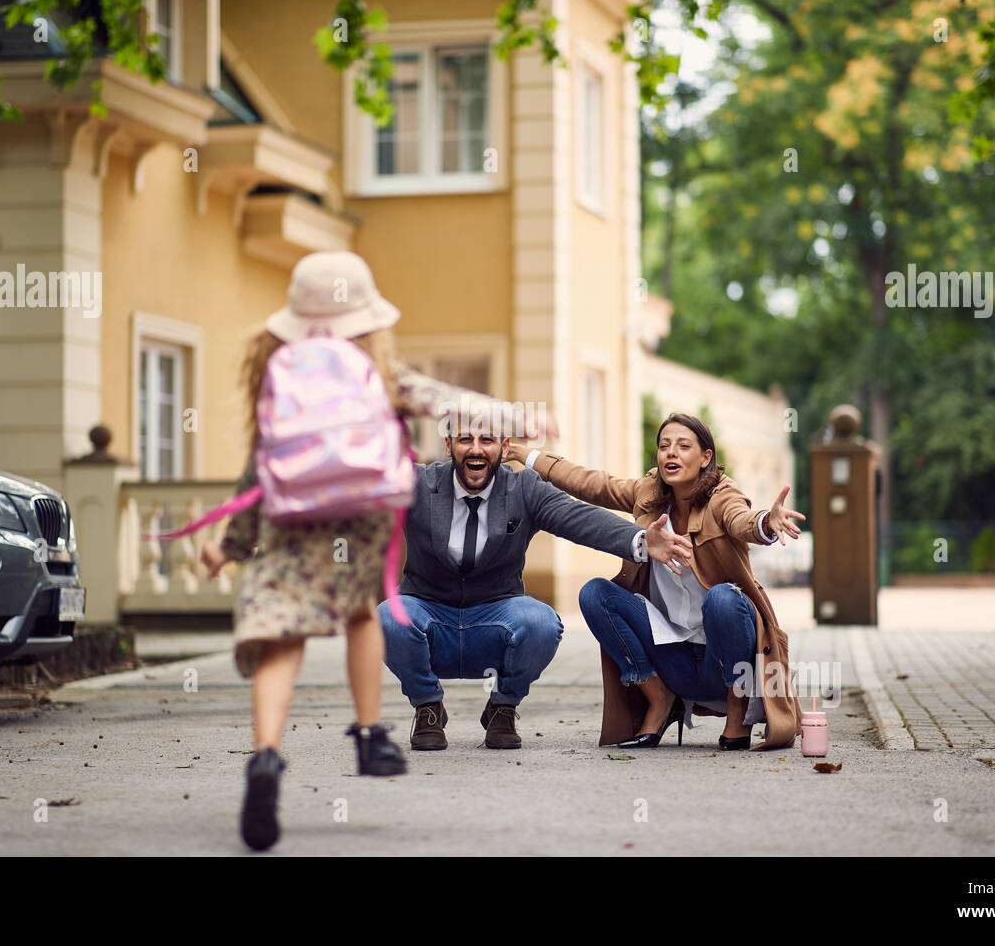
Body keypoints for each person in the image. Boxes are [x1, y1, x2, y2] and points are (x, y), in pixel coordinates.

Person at [199, 251, 527, 850]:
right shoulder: (378, 368)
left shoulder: (277, 368)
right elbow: (442, 400)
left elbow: (258, 464)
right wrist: (520, 417)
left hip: (291, 522)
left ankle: (266, 757)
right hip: (359, 515)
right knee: (362, 614)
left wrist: (230, 543)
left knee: (282, 638)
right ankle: (370, 732)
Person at [378, 422, 693, 751]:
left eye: (486, 439)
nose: (475, 449)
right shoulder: (417, 483)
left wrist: (641, 540)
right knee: (387, 618)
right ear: (448, 446)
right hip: (429, 614)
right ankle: (427, 705)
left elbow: (579, 518)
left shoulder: (523, 489)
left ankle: (503, 706)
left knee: (541, 622)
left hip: (495, 619)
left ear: (503, 447)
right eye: (464, 440)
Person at [506, 412, 805, 751]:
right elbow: (590, 483)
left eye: (683, 446)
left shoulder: (723, 496)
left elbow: (742, 520)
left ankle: (736, 713)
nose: (670, 454)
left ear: (706, 457)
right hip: (671, 656)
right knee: (596, 594)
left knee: (723, 599)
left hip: (720, 660)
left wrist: (767, 522)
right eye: (664, 446)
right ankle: (658, 697)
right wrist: (523, 455)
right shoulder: (648, 493)